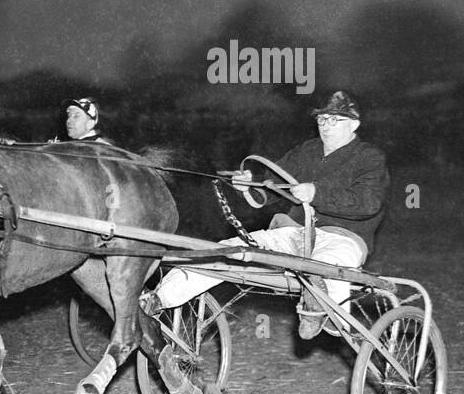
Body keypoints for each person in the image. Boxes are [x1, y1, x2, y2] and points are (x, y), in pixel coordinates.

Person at [144, 91, 389, 340]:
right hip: (293, 233)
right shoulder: (307, 151)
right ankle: (157, 300)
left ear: (354, 124)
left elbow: (368, 202)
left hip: (343, 238)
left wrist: (317, 193)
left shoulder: (369, 158)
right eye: (322, 120)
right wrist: (250, 185)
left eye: (335, 120)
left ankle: (322, 314)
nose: (326, 126)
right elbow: (275, 185)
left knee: (323, 267)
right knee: (225, 251)